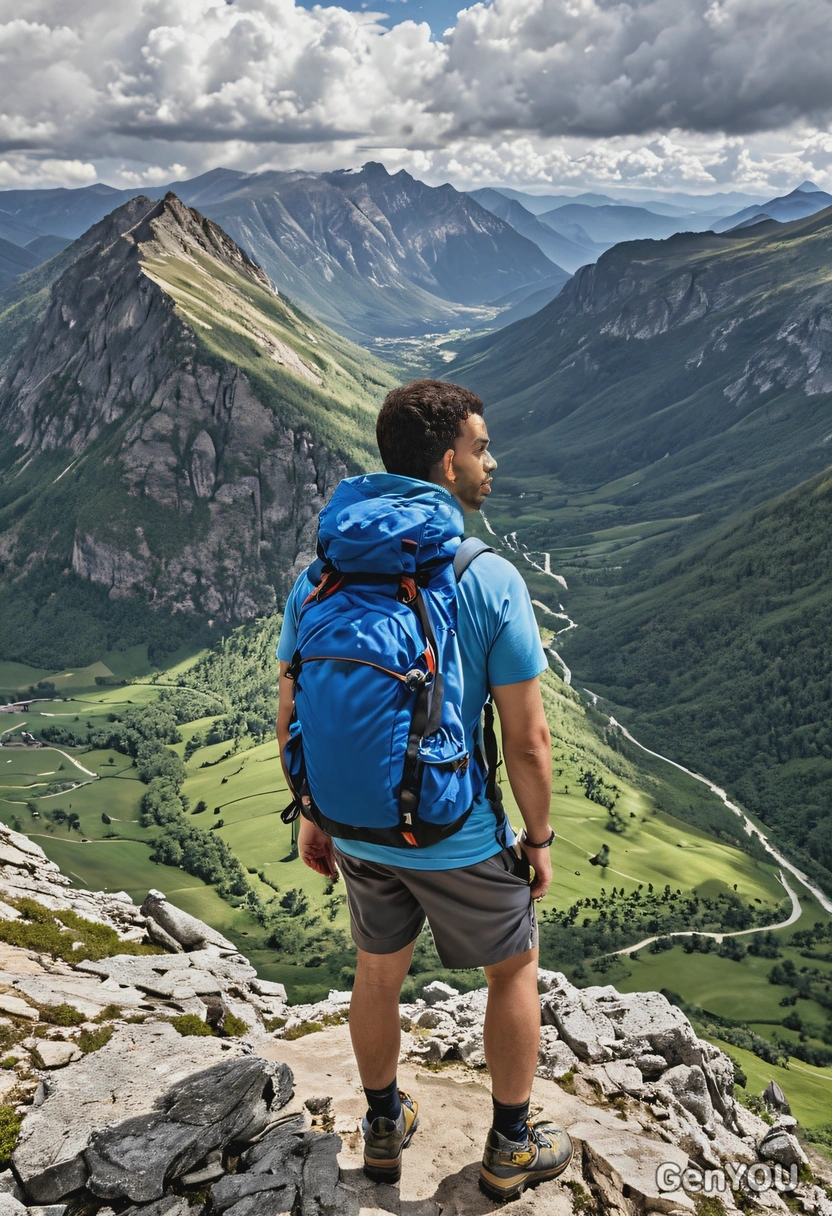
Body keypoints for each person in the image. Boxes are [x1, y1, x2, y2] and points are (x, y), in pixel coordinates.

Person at [276, 379, 572, 1203]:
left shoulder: (321, 578)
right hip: (457, 834)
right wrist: (538, 843)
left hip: (355, 827)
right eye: (482, 448)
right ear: (448, 461)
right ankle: (512, 1146)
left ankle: (380, 1124)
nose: (491, 462)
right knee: (513, 969)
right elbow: (528, 740)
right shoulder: (485, 576)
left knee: (378, 974)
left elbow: (293, 706)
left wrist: (314, 815)